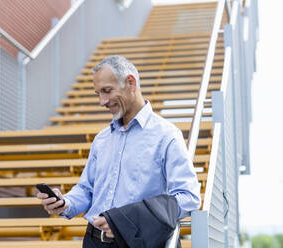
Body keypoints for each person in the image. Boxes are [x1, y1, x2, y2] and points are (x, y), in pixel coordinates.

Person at [37, 55, 201, 247]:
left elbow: (189, 198)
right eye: (98, 93)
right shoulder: (102, 140)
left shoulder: (167, 135)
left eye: (107, 91)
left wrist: (126, 220)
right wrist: (66, 203)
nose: (102, 101)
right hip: (94, 241)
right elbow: (86, 190)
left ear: (130, 83)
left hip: (138, 242)